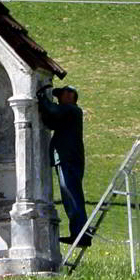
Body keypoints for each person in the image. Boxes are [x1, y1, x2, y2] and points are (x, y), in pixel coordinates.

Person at [37, 84, 91, 247]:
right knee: (69, 196)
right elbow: (50, 120)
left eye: (61, 95)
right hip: (66, 158)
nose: (59, 98)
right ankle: (79, 233)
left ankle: (81, 234)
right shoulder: (67, 114)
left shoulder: (72, 110)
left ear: (70, 96)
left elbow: (53, 111)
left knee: (72, 195)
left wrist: (41, 97)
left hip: (69, 158)